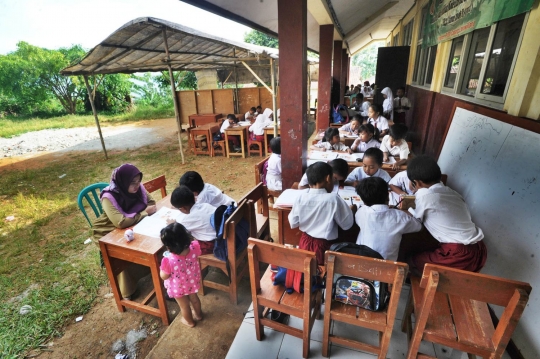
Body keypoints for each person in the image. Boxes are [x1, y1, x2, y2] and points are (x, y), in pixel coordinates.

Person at [407, 155, 487, 276]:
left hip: (458, 255)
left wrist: (410, 205)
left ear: (416, 183)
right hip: (478, 250)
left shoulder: (424, 195)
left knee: (411, 261)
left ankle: (423, 291)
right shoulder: (452, 193)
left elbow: (417, 220)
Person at [92, 163, 157, 299]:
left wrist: (136, 216)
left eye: (138, 182)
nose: (137, 186)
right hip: (109, 229)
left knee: (153, 239)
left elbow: (152, 203)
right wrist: (143, 213)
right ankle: (128, 290)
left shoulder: (139, 188)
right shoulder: (108, 197)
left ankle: (154, 268)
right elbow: (120, 222)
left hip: (134, 224)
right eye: (132, 183)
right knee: (123, 251)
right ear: (123, 182)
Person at [289, 162, 355, 264]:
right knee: (321, 272)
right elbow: (347, 225)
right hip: (324, 247)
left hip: (304, 242)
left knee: (306, 270)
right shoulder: (334, 199)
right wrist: (351, 210)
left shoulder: (301, 197)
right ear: (328, 178)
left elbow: (293, 222)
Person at [355, 177, 422, 261]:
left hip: (359, 264)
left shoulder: (361, 213)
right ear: (388, 195)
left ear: (363, 200)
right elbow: (419, 226)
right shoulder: (400, 217)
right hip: (388, 268)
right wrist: (405, 210)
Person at [159, 223, 203, 328]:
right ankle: (199, 315)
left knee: (184, 306)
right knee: (195, 299)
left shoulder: (168, 260)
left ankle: (190, 322)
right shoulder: (195, 247)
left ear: (168, 247)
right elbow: (199, 253)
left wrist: (162, 270)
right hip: (193, 281)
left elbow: (164, 276)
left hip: (178, 287)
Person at [170, 186, 216, 255]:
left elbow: (177, 229)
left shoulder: (185, 220)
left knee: (184, 247)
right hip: (222, 238)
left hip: (211, 245)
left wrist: (172, 223)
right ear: (194, 198)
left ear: (183, 208)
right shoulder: (206, 205)